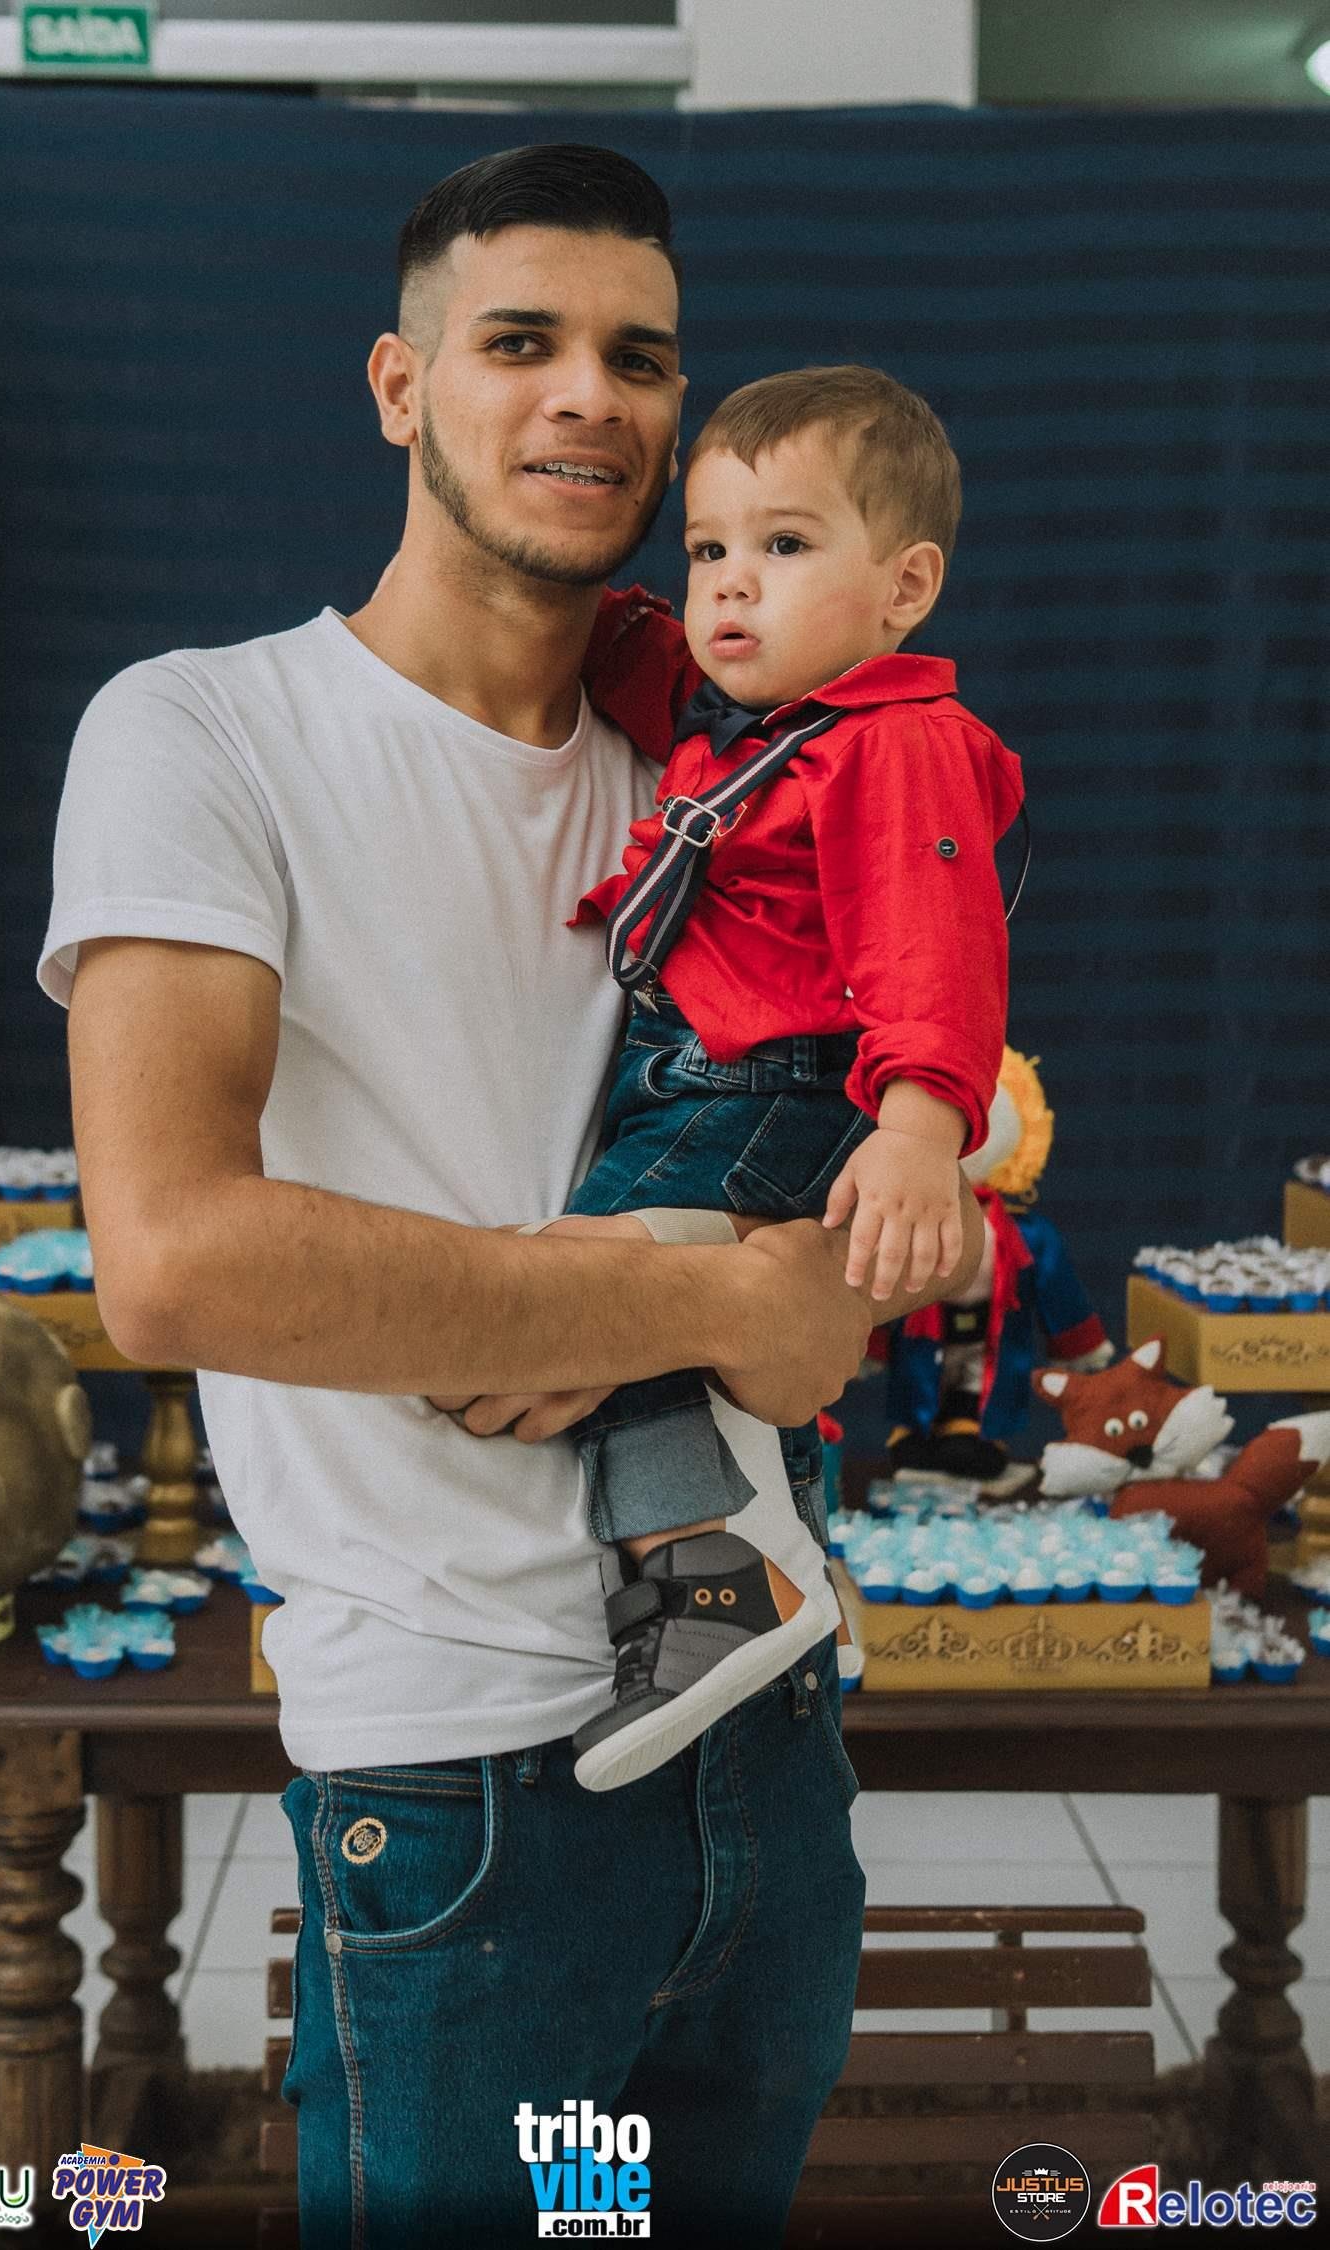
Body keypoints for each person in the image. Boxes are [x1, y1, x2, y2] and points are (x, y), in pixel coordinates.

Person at [42, 144, 984, 2248]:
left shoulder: (730, 756)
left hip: (768, 1741)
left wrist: (846, 1251)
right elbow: (174, 1261)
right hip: (463, 1779)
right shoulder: (206, 734)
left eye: (639, 357)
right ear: (400, 385)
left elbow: (888, 1196)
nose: (590, 396)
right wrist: (711, 1303)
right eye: (522, 342)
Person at [462, 364, 1023, 1794]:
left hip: (770, 1083)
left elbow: (934, 944)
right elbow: (623, 643)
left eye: (784, 545)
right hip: (696, 1077)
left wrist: (919, 1127)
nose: (730, 583)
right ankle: (775, 1557)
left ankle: (710, 1576)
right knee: (663, 1327)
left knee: (593, 1295)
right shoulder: (741, 724)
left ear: (904, 587)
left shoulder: (895, 745)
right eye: (709, 546)